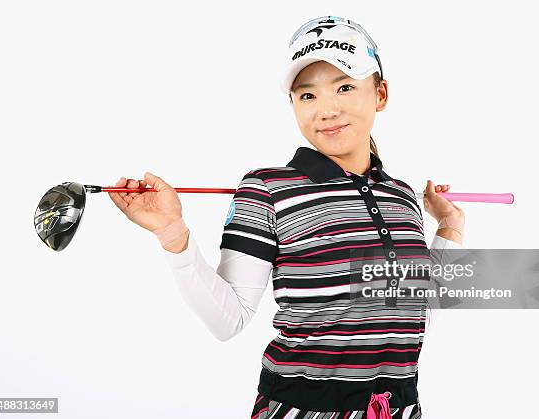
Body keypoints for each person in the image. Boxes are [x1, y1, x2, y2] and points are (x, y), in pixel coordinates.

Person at [109, 16, 465, 419]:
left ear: (380, 94)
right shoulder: (267, 189)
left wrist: (449, 229)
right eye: (307, 95)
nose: (326, 110)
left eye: (344, 87)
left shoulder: (402, 197)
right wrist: (172, 233)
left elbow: (411, 314)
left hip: (400, 409)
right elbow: (229, 320)